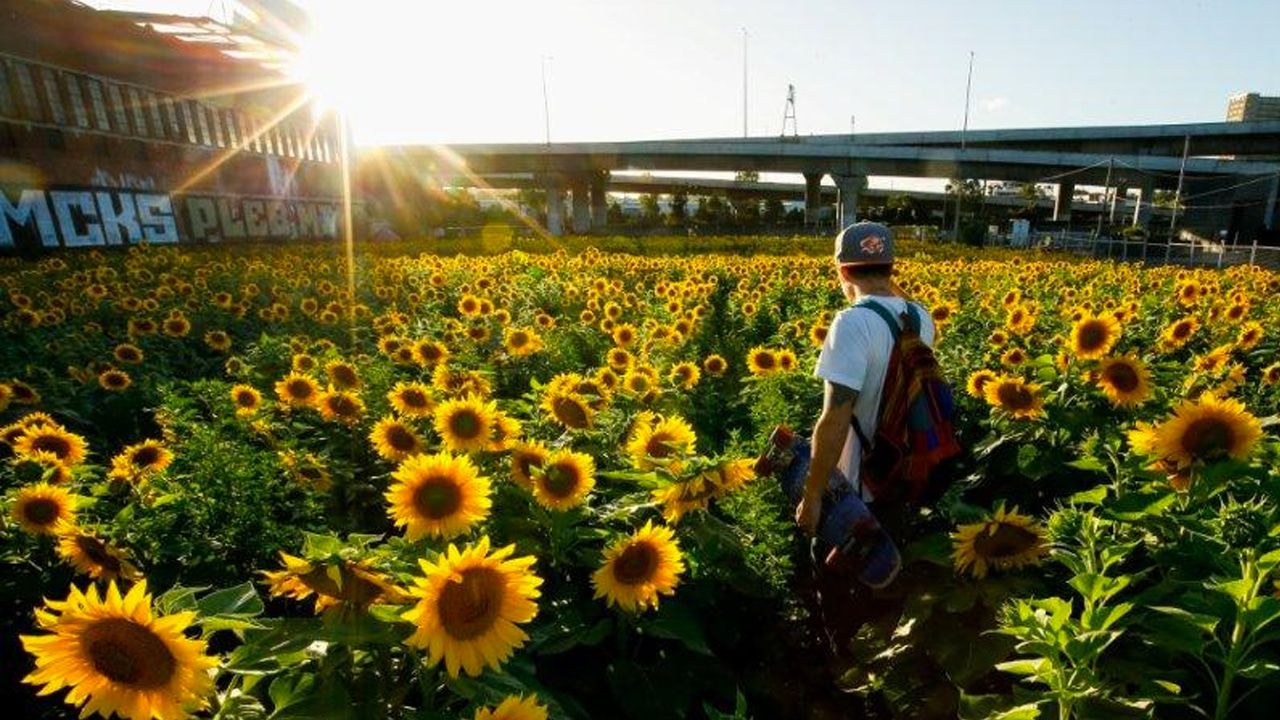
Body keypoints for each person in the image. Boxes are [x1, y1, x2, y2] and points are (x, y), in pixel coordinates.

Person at [795, 221, 936, 649]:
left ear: (842, 271)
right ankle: (883, 658)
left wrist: (814, 493)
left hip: (855, 483)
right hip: (900, 470)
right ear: (890, 265)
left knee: (838, 574)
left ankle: (845, 665)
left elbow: (836, 417)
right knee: (883, 573)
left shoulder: (851, 324)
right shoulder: (920, 317)